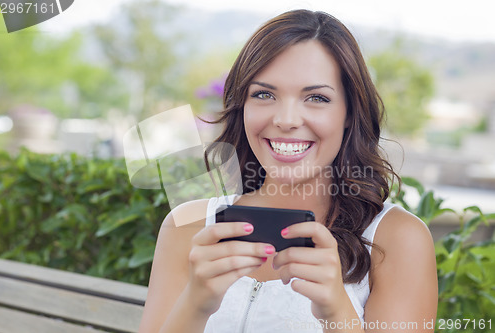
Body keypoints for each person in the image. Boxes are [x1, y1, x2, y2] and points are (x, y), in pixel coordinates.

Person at [139, 9, 438, 333]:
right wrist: (195, 305)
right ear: (243, 106)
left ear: (349, 112)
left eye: (316, 97)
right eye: (264, 94)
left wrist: (337, 312)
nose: (286, 119)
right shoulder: (187, 227)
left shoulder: (397, 240)